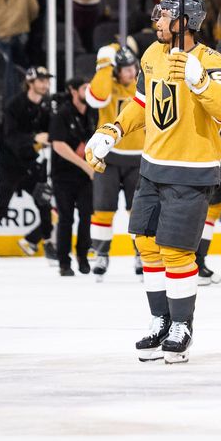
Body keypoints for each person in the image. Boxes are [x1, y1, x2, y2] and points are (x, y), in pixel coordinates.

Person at [85, 0, 221, 363]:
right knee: (146, 245)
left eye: (164, 15)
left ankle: (182, 326)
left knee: (176, 251)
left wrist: (200, 82)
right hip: (152, 167)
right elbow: (142, 103)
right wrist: (114, 130)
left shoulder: (210, 59)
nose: (156, 21)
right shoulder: (152, 55)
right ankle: (161, 320)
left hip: (192, 171)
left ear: (184, 22)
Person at [0, 67, 54, 266]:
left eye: (47, 80)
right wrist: (34, 138)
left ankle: (47, 244)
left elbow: (49, 130)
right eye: (41, 80)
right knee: (2, 203)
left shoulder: (45, 105)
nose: (45, 84)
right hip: (10, 163)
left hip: (31, 161)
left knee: (43, 200)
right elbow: (10, 136)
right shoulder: (15, 105)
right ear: (30, 82)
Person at [80, 44, 143, 280]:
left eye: (132, 67)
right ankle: (101, 255)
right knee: (103, 210)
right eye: (125, 69)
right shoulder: (107, 86)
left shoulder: (142, 86)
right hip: (109, 157)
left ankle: (141, 254)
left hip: (138, 158)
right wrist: (105, 62)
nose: (130, 72)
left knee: (138, 211)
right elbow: (96, 97)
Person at [49, 78, 97, 276]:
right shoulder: (63, 113)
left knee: (86, 216)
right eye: (85, 88)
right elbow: (58, 144)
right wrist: (85, 166)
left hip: (86, 177)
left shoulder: (93, 113)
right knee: (66, 218)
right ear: (73, 90)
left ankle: (83, 256)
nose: (88, 91)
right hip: (64, 176)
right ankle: (64, 262)